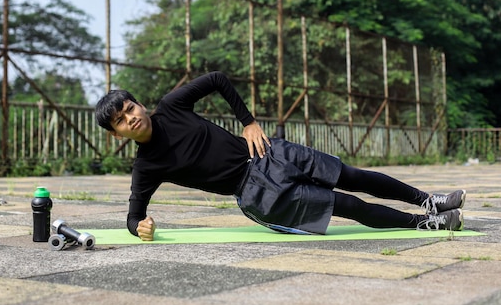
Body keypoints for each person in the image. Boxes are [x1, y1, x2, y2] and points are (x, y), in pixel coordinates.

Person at [95, 71, 465, 241]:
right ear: (117, 134)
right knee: (343, 204)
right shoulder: (146, 166)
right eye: (122, 121)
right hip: (258, 194)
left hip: (267, 152)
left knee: (351, 174)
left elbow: (218, 79)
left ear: (139, 103)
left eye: (130, 108)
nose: (132, 118)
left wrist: (249, 123)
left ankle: (430, 201)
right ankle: (422, 224)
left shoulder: (172, 106)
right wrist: (138, 228)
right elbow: (133, 212)